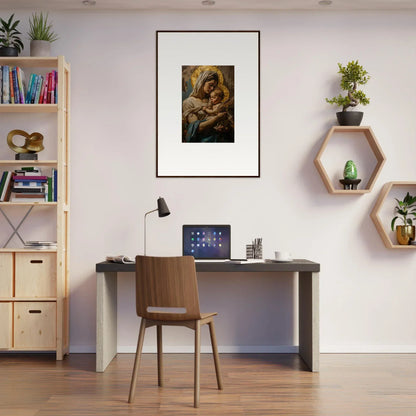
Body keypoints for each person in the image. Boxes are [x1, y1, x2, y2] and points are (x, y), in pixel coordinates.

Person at [182, 70, 231, 143]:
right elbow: (196, 128)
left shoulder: (213, 100)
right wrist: (217, 118)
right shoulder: (188, 102)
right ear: (202, 82)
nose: (212, 89)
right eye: (210, 85)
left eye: (214, 86)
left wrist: (225, 128)